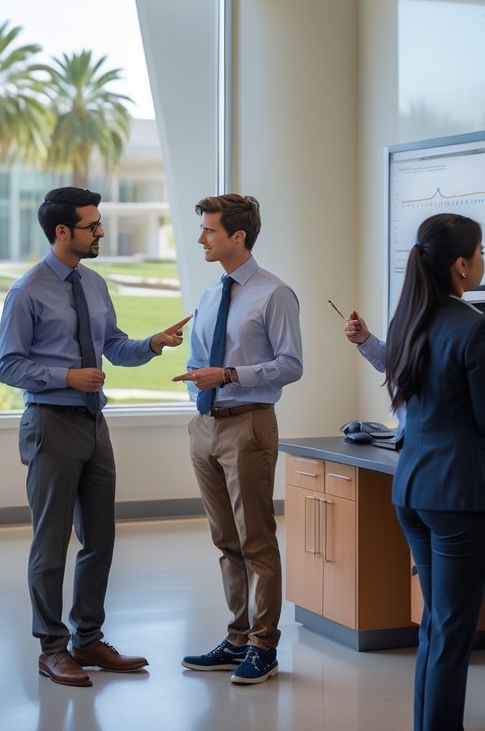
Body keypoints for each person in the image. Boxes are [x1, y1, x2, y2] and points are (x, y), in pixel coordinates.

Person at [0, 186, 189, 688]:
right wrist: (66, 378)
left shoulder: (95, 284)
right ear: (63, 231)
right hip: (50, 424)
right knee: (51, 541)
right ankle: (52, 648)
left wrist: (151, 344)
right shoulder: (27, 291)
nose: (101, 231)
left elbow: (113, 347)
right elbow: (7, 365)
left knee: (100, 537)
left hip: (93, 425)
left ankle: (89, 639)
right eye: (92, 225)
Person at [385, 213, 485, 731]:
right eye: (482, 251)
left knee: (436, 625)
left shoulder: (407, 317)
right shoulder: (476, 327)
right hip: (461, 496)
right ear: (462, 265)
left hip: (414, 489)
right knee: (451, 631)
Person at [173, 193, 303, 685]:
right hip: (205, 426)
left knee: (255, 539)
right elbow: (204, 361)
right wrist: (201, 381)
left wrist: (228, 374)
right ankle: (236, 638)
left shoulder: (274, 294)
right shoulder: (211, 295)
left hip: (249, 424)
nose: (201, 238)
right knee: (226, 541)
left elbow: (291, 365)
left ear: (238, 236)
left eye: (209, 230)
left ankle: (264, 647)